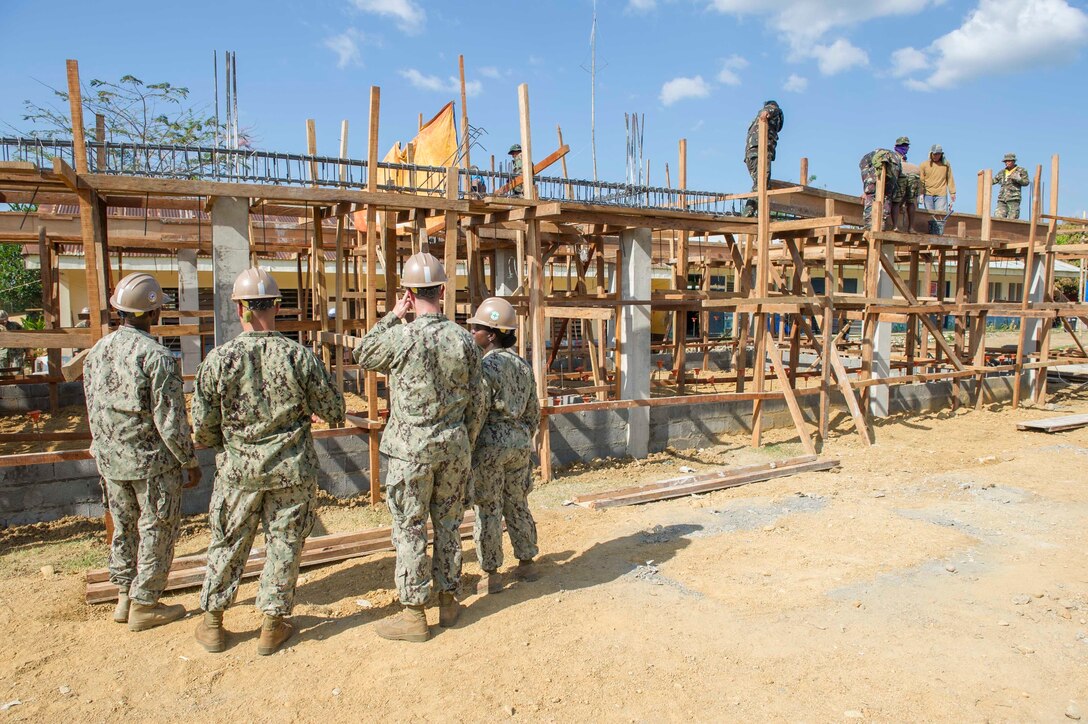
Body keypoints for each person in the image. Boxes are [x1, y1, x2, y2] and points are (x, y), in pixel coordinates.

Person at [192, 267, 345, 656]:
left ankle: (213, 622)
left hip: (238, 473)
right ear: (277, 306)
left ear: (240, 308)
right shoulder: (300, 357)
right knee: (284, 544)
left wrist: (226, 447)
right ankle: (272, 625)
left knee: (228, 541)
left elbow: (203, 428)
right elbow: (333, 410)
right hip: (291, 472)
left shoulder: (218, 360)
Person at [354, 251, 485, 642]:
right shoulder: (464, 340)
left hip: (409, 454)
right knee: (448, 524)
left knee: (410, 528)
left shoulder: (400, 336)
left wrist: (394, 314)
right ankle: (448, 602)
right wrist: (466, 441)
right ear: (443, 290)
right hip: (452, 448)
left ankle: (414, 614)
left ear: (409, 293)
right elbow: (477, 402)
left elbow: (362, 354)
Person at [83, 273, 202, 631]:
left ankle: (123, 595)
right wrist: (189, 460)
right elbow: (170, 420)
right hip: (150, 464)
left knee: (124, 528)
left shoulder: (96, 352)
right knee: (156, 529)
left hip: (110, 459)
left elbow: (91, 406)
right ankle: (145, 602)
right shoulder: (157, 357)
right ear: (152, 314)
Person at [466, 297, 541, 595]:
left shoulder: (485, 367)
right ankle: (526, 563)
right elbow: (534, 412)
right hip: (519, 445)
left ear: (492, 334)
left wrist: (469, 444)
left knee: (488, 507)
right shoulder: (523, 366)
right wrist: (521, 437)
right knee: (518, 501)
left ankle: (491, 573)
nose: (473, 334)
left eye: (478, 329)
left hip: (490, 447)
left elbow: (478, 411)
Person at [742, 100, 784, 217]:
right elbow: (770, 110)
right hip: (760, 153)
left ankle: (754, 212)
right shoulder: (773, 109)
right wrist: (767, 111)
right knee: (762, 184)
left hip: (751, 155)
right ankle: (749, 212)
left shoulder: (754, 124)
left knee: (763, 184)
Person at [859, 148, 902, 230]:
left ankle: (877, 222)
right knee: (874, 193)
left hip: (890, 167)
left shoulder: (896, 166)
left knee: (884, 194)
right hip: (875, 162)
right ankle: (872, 223)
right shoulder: (870, 160)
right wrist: (866, 191)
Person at [890, 136, 920, 232]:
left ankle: (910, 227)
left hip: (910, 177)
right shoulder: (894, 157)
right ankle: (895, 226)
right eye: (903, 145)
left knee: (910, 201)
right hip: (901, 177)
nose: (905, 147)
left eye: (906, 145)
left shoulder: (903, 158)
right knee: (897, 201)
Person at [919, 144, 956, 213]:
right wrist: (921, 193)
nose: (936, 156)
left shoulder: (946, 164)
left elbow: (950, 178)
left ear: (941, 154)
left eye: (938, 154)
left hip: (941, 194)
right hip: (928, 194)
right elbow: (921, 180)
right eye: (934, 154)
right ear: (931, 153)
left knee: (940, 215)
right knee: (929, 216)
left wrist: (952, 193)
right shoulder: (924, 165)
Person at [993, 153, 1030, 219]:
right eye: (1006, 161)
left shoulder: (1020, 170)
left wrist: (1019, 179)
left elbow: (1026, 182)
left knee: (1013, 217)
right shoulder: (1002, 172)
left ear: (1013, 161)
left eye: (1009, 161)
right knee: (998, 216)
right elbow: (993, 181)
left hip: (1013, 198)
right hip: (1002, 198)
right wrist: (983, 176)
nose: (1007, 163)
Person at [0, 311, 26, 375]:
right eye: (2, 320)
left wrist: (26, 349)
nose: (4, 322)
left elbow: (25, 336)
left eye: (5, 319)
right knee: (2, 373)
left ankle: (19, 384)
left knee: (18, 372)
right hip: (2, 353)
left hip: (16, 352)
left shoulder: (15, 325)